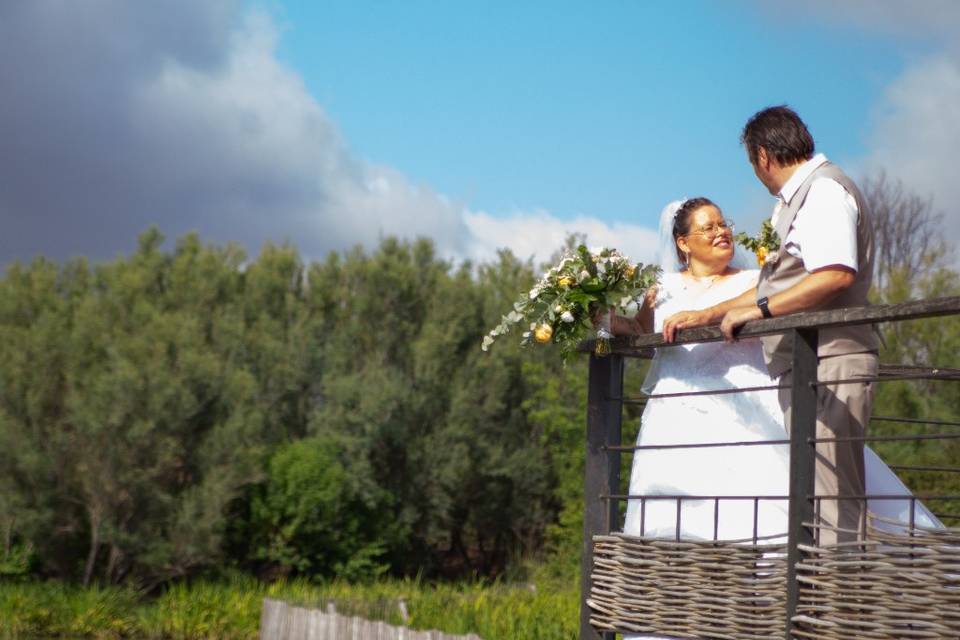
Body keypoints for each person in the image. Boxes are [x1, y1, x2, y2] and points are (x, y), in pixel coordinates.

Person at [610, 196, 939, 640]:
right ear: (682, 242)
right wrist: (599, 316)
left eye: (723, 224)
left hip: (750, 415)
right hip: (676, 423)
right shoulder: (661, 289)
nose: (721, 232)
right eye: (706, 228)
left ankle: (779, 618)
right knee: (676, 525)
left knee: (769, 515)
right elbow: (639, 331)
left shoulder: (755, 280)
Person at [661, 106, 878, 545]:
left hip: (832, 358)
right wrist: (709, 314)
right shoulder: (801, 200)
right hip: (809, 363)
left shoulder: (823, 193)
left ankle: (842, 604)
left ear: (762, 156)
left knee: (836, 495)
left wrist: (760, 313)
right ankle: (823, 598)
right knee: (819, 492)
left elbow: (835, 274)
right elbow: (774, 284)